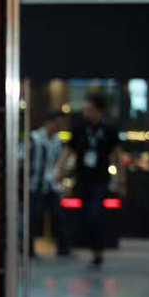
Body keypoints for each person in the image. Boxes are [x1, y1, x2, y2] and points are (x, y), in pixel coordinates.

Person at [56, 93, 123, 267]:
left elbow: (117, 155)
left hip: (100, 178)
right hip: (82, 178)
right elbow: (68, 150)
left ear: (99, 111)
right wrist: (60, 169)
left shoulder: (108, 130)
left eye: (90, 109)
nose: (87, 112)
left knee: (95, 213)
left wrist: (120, 179)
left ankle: (98, 250)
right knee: (86, 215)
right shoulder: (79, 128)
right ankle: (92, 248)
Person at [29, 110, 69, 257]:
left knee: (58, 216)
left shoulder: (57, 141)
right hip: (35, 184)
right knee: (34, 217)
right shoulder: (34, 139)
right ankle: (29, 249)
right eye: (57, 124)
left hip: (51, 184)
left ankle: (63, 248)